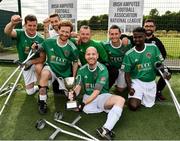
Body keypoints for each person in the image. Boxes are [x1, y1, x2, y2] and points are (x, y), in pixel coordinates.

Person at [68, 47, 125, 140]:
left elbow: (97, 91)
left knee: (121, 100)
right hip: (88, 99)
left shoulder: (103, 69)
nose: (91, 56)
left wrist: (83, 104)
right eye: (88, 54)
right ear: (85, 56)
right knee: (71, 103)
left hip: (101, 97)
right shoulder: (81, 69)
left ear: (97, 56)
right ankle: (79, 107)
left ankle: (105, 129)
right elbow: (78, 86)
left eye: (93, 54)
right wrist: (73, 93)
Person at [36, 20, 79, 114]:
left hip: (65, 73)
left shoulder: (73, 47)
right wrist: (35, 46)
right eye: (62, 31)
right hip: (51, 68)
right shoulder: (49, 41)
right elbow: (40, 47)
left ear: (70, 33)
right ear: (58, 30)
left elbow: (75, 62)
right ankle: (42, 101)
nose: (64, 34)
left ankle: (69, 93)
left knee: (71, 97)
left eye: (67, 32)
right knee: (44, 75)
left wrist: (73, 77)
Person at [121, 27, 164, 111]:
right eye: (135, 37)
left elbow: (160, 64)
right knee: (133, 106)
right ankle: (136, 96)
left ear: (145, 36)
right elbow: (127, 74)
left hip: (150, 82)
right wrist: (130, 87)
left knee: (149, 105)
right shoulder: (129, 54)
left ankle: (144, 96)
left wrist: (165, 72)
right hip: (137, 82)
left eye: (140, 37)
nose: (137, 39)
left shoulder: (153, 48)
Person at [4, 14, 45, 95]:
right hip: (24, 65)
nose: (32, 28)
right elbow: (7, 32)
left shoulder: (41, 38)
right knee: (30, 92)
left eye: (34, 25)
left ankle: (42, 86)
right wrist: (12, 23)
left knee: (39, 66)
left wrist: (29, 62)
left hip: (35, 63)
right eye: (29, 25)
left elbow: (42, 58)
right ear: (25, 25)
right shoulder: (20, 33)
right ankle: (34, 87)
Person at [144, 19, 170, 101]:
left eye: (151, 26)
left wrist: (156, 63)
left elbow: (163, 55)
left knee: (167, 72)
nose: (148, 28)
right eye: (146, 26)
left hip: (153, 66)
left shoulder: (158, 42)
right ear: (143, 27)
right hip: (139, 66)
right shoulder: (138, 38)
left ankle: (158, 91)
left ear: (154, 28)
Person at [101, 25, 132, 92]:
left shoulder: (127, 43)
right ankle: (115, 81)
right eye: (112, 34)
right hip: (112, 70)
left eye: (116, 34)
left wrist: (125, 37)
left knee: (120, 90)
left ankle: (122, 82)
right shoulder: (105, 45)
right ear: (109, 35)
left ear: (120, 34)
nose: (114, 36)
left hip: (122, 69)